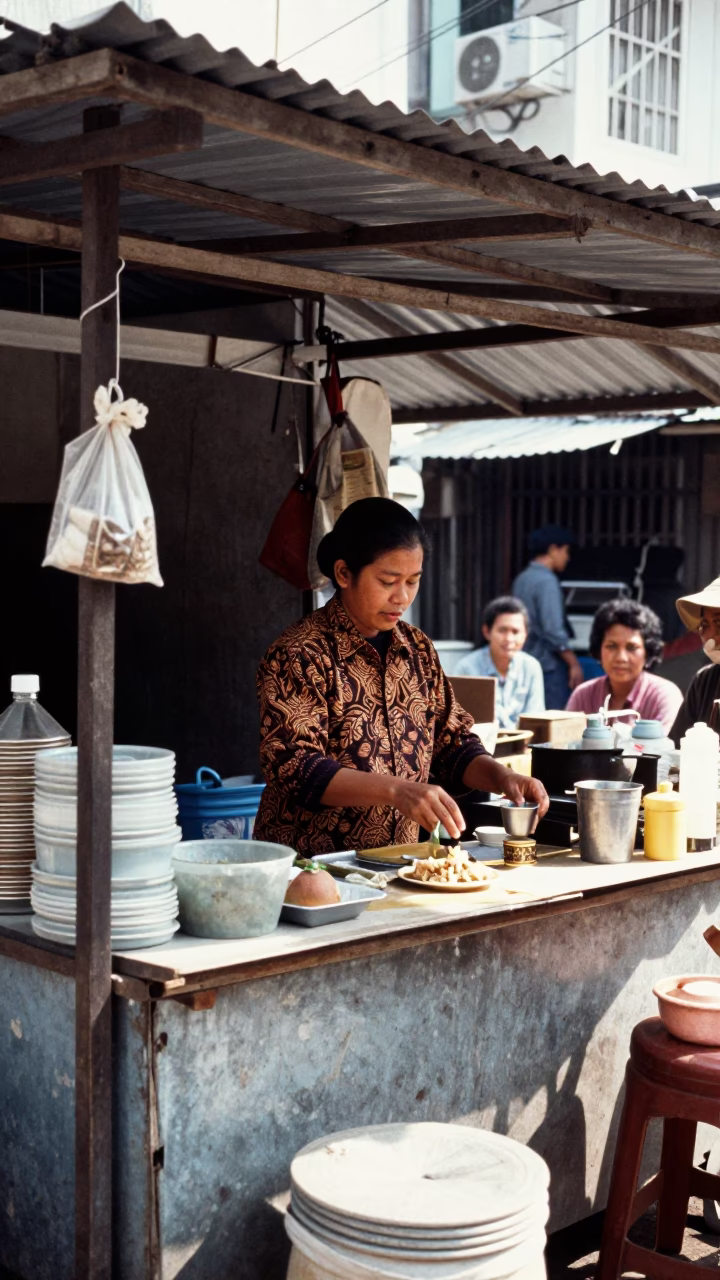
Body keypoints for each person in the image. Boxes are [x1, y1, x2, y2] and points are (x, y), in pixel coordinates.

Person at [254, 497, 548, 854]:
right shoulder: (300, 653)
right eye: (388, 581)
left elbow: (451, 744)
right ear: (344, 573)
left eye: (413, 581)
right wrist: (396, 790)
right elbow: (294, 765)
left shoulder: (417, 649)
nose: (403, 597)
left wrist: (503, 777)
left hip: (396, 862)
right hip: (311, 865)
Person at [566, 598, 683, 733]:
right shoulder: (583, 696)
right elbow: (565, 741)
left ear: (647, 652)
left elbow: (665, 744)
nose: (621, 658)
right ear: (599, 649)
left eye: (631, 647)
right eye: (612, 646)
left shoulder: (664, 696)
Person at [512, 525, 583, 710]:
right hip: (548, 665)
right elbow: (553, 630)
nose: (567, 557)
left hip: (526, 659)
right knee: (553, 719)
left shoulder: (522, 578)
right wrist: (574, 663)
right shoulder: (547, 581)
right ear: (553, 549)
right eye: (566, 551)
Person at [454, 596, 545, 729]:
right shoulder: (466, 668)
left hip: (523, 741)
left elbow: (536, 719)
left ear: (525, 635)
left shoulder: (531, 667)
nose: (509, 639)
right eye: (502, 630)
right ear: (487, 632)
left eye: (515, 632)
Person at [670, 576, 720, 742]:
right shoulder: (705, 681)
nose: (711, 636)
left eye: (719, 623)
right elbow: (677, 748)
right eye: (704, 626)